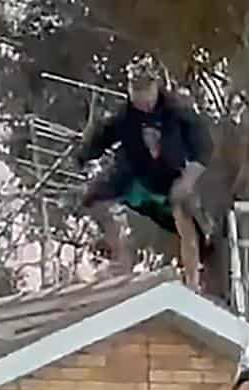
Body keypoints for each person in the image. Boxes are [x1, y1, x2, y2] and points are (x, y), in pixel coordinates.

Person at [75, 54, 215, 291]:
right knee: (94, 198)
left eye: (146, 93)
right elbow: (101, 139)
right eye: (136, 93)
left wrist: (189, 178)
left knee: (187, 218)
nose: (142, 100)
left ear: (156, 87)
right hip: (134, 175)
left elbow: (204, 147)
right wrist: (83, 155)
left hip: (171, 177)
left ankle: (193, 281)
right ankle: (116, 264)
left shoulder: (177, 111)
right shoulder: (125, 117)